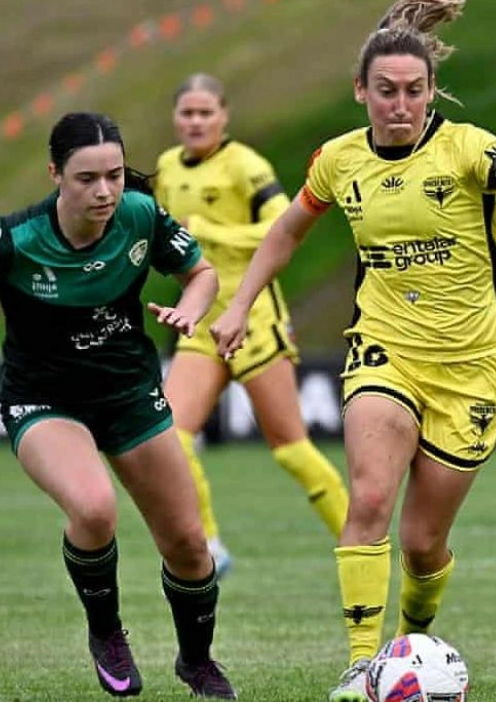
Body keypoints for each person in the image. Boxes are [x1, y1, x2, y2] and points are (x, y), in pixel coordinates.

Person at [209, 2, 496, 702]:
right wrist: (236, 306)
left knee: (422, 545)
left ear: (432, 91)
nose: (401, 104)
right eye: (387, 90)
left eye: (415, 90)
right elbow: (286, 232)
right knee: (372, 495)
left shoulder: (468, 147)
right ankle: (359, 662)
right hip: (384, 352)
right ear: (362, 90)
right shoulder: (339, 160)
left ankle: (412, 639)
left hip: (472, 369)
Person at [0, 112, 238, 700]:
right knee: (93, 509)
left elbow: (203, 272)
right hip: (44, 400)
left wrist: (192, 305)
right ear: (55, 173)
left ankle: (196, 661)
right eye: (88, 178)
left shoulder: (138, 213)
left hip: (129, 394)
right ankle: (107, 632)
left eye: (114, 174)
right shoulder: (13, 240)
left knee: (188, 544)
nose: (106, 191)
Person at [155, 73, 350, 574]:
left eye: (205, 113)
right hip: (199, 323)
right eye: (187, 113)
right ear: (175, 118)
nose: (196, 122)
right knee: (171, 438)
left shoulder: (246, 166)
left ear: (224, 116)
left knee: (290, 450)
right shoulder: (166, 169)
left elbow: (282, 226)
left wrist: (211, 232)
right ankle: (209, 549)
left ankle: (360, 541)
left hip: (255, 321)